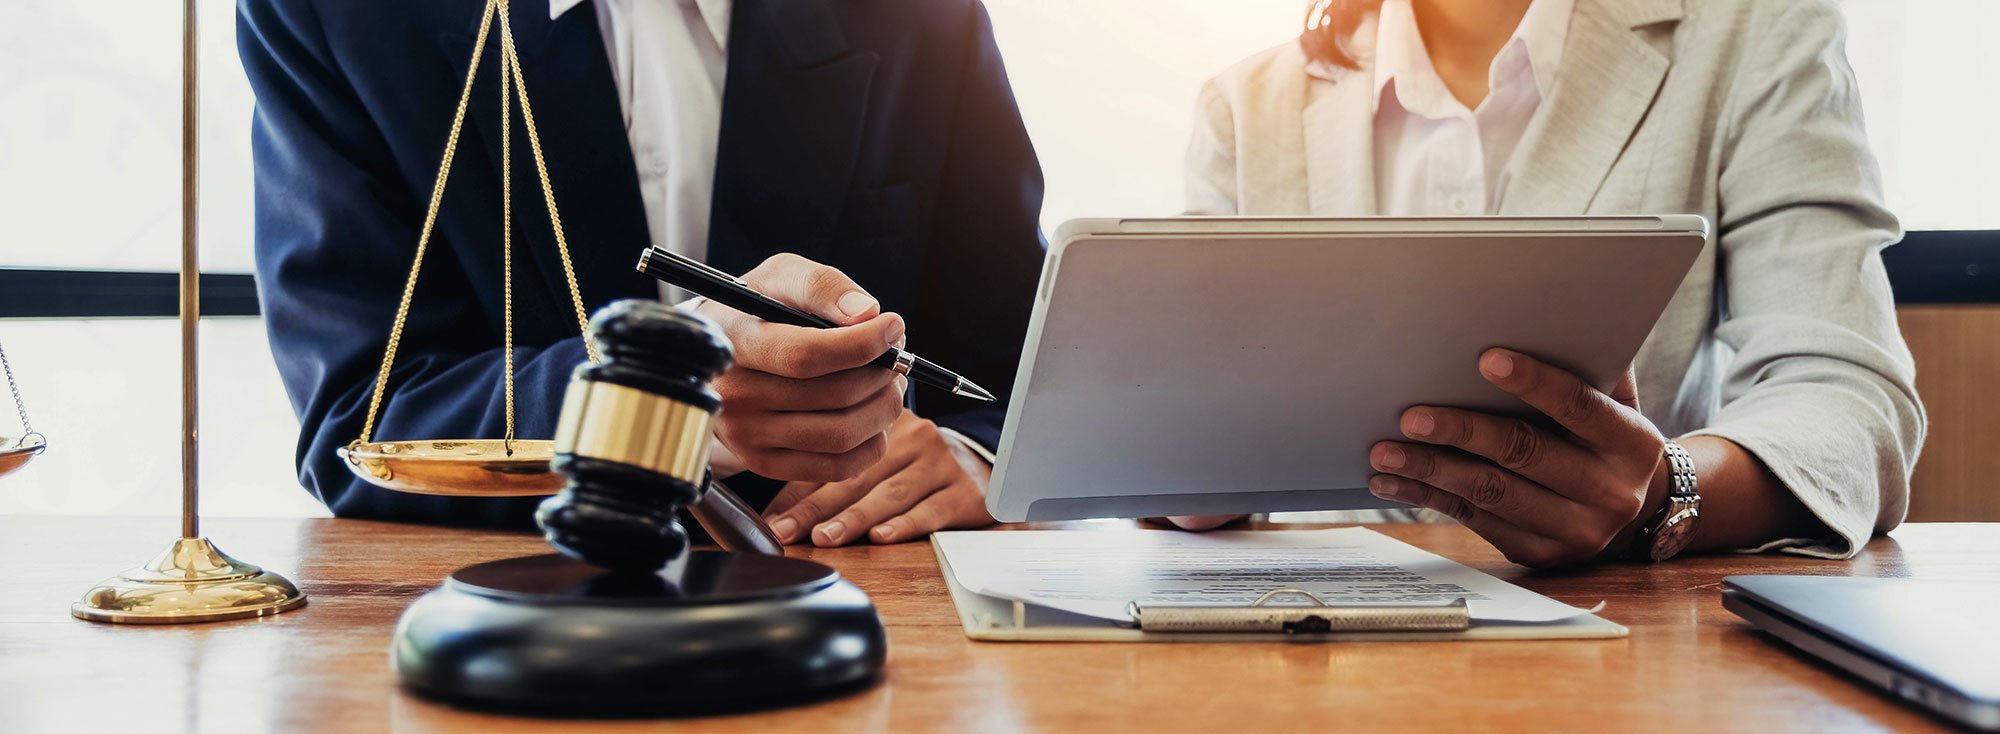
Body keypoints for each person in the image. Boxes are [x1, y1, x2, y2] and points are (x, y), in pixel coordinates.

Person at [238, 0, 1043, 545]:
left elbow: (1019, 370)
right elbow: (356, 417)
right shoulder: (336, 16)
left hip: (869, 590)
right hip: (508, 619)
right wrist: (663, 397)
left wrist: (981, 459)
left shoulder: (921, 17)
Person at [1177, 0, 1924, 567]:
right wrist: (1175, 481)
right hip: (1313, 630)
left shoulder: (1756, 38)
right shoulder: (1246, 108)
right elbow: (1188, 423)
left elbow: (1850, 399)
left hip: (1627, 628)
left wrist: (1668, 494)